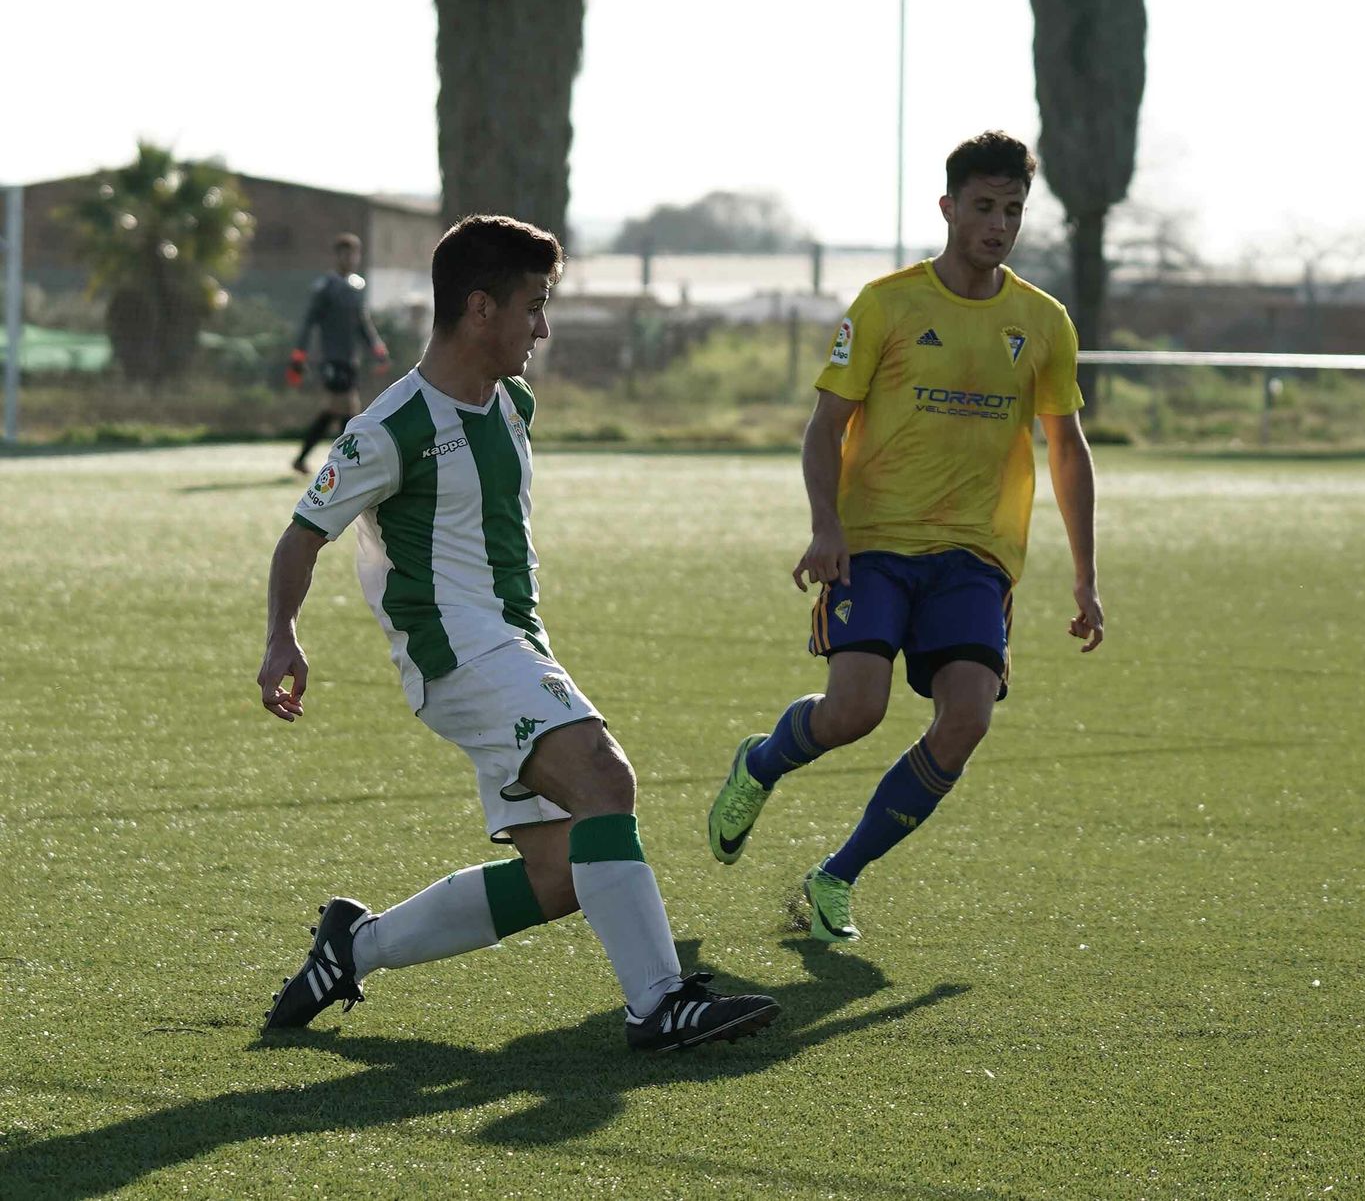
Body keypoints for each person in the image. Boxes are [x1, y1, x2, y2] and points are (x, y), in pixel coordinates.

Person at [259, 214, 779, 1053]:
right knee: (606, 779)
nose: (543, 327)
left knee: (557, 875)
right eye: (533, 306)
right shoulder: (389, 429)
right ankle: (659, 1000)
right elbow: (301, 534)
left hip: (514, 644)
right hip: (460, 656)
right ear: (478, 309)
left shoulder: (511, 401)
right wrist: (282, 635)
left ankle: (354, 945)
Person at [708, 131, 1104, 943]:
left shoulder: (1043, 320)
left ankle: (835, 877)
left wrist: (1085, 578)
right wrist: (825, 525)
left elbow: (1067, 448)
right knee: (855, 708)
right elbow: (824, 428)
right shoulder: (886, 303)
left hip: (975, 556)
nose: (998, 225)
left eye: (1013, 211)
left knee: (966, 720)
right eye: (985, 207)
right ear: (949, 208)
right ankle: (762, 762)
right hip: (875, 541)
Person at [288, 232, 390, 475]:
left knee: (338, 409)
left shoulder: (356, 285)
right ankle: (349, 462)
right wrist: (299, 354)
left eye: (354, 253)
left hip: (350, 359)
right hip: (331, 358)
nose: (350, 258)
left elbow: (363, 322)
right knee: (347, 407)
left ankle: (305, 459)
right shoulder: (326, 287)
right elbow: (308, 323)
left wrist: (377, 347)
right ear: (337, 256)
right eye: (345, 253)